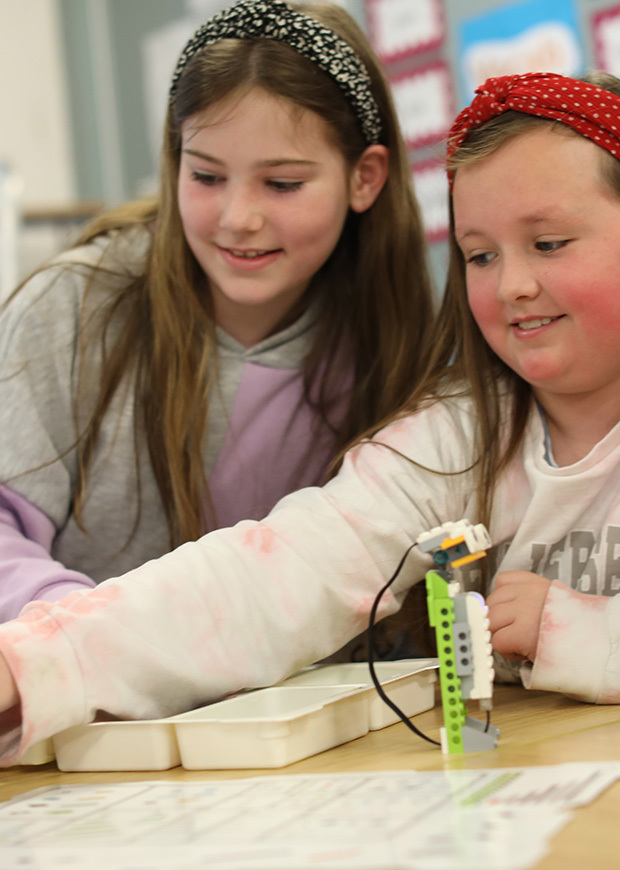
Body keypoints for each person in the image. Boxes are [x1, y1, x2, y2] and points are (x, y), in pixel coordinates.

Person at [4, 67, 620, 765]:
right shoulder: (453, 436)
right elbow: (270, 581)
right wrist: (33, 663)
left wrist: (574, 632)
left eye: (548, 244)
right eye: (480, 255)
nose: (512, 285)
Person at [0, 0, 434, 623]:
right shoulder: (73, 306)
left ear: (365, 178)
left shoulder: (397, 342)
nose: (238, 219)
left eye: (282, 184)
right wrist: (90, 629)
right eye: (205, 176)